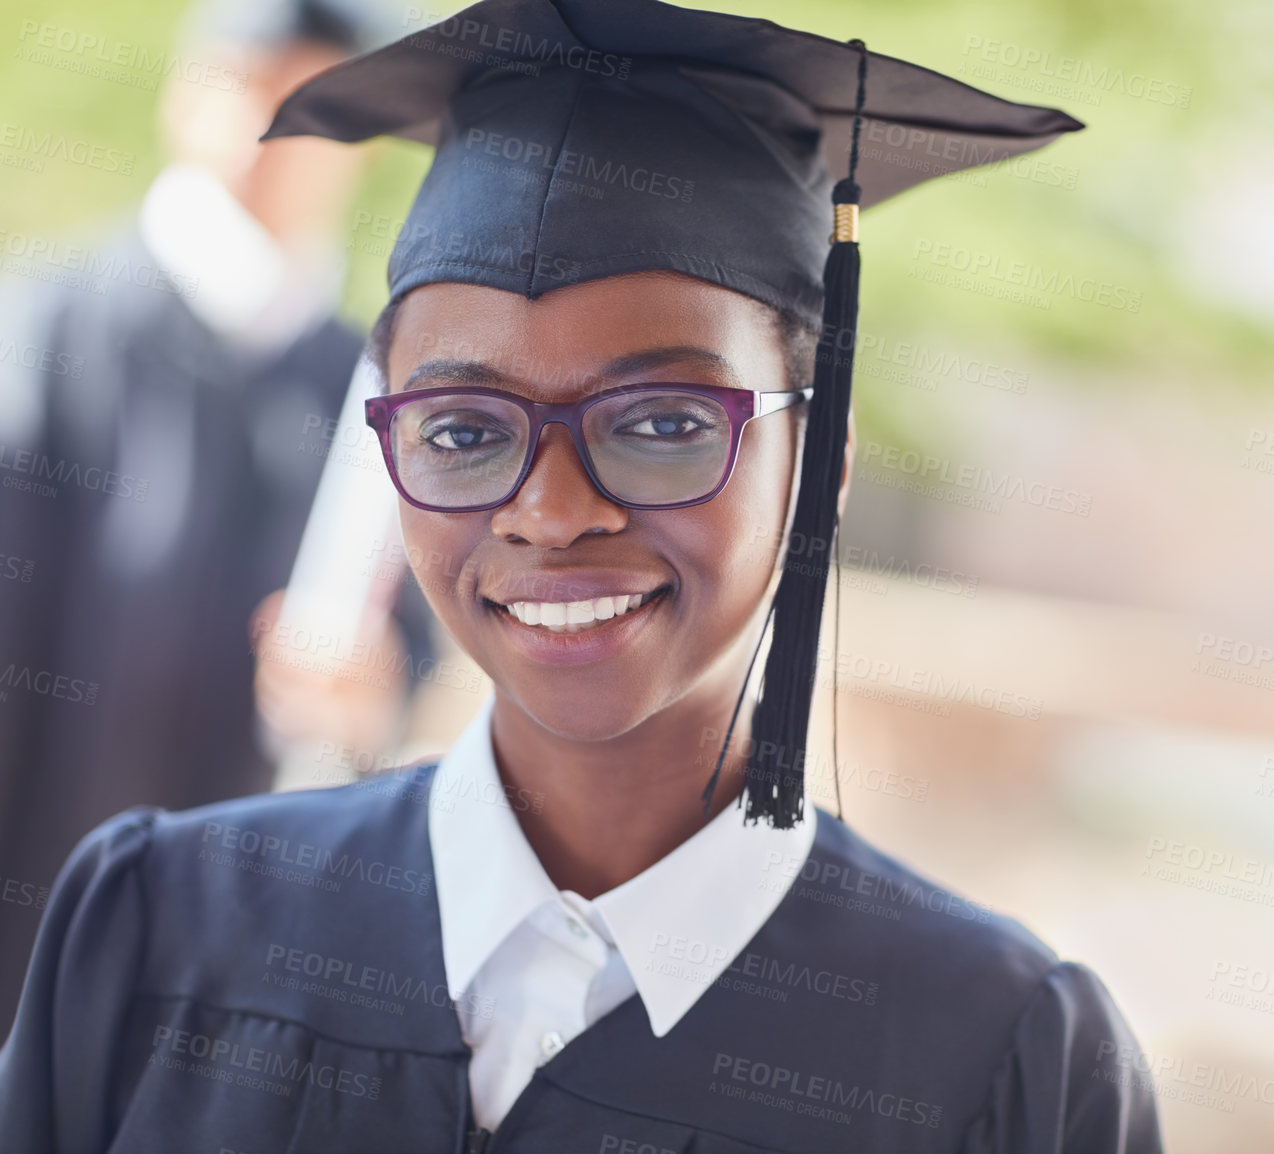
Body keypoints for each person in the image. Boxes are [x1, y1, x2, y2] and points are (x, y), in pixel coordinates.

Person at [0, 0, 1161, 1149]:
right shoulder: (157, 930)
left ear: (818, 463)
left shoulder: (1001, 1063)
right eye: (462, 430)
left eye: (663, 422)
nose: (551, 511)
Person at [0, 0, 419, 1036]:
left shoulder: (375, 391)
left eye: (311, 108)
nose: (273, 135)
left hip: (230, 985)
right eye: (249, 86)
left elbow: (392, 669)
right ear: (185, 95)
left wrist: (373, 691)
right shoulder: (44, 333)